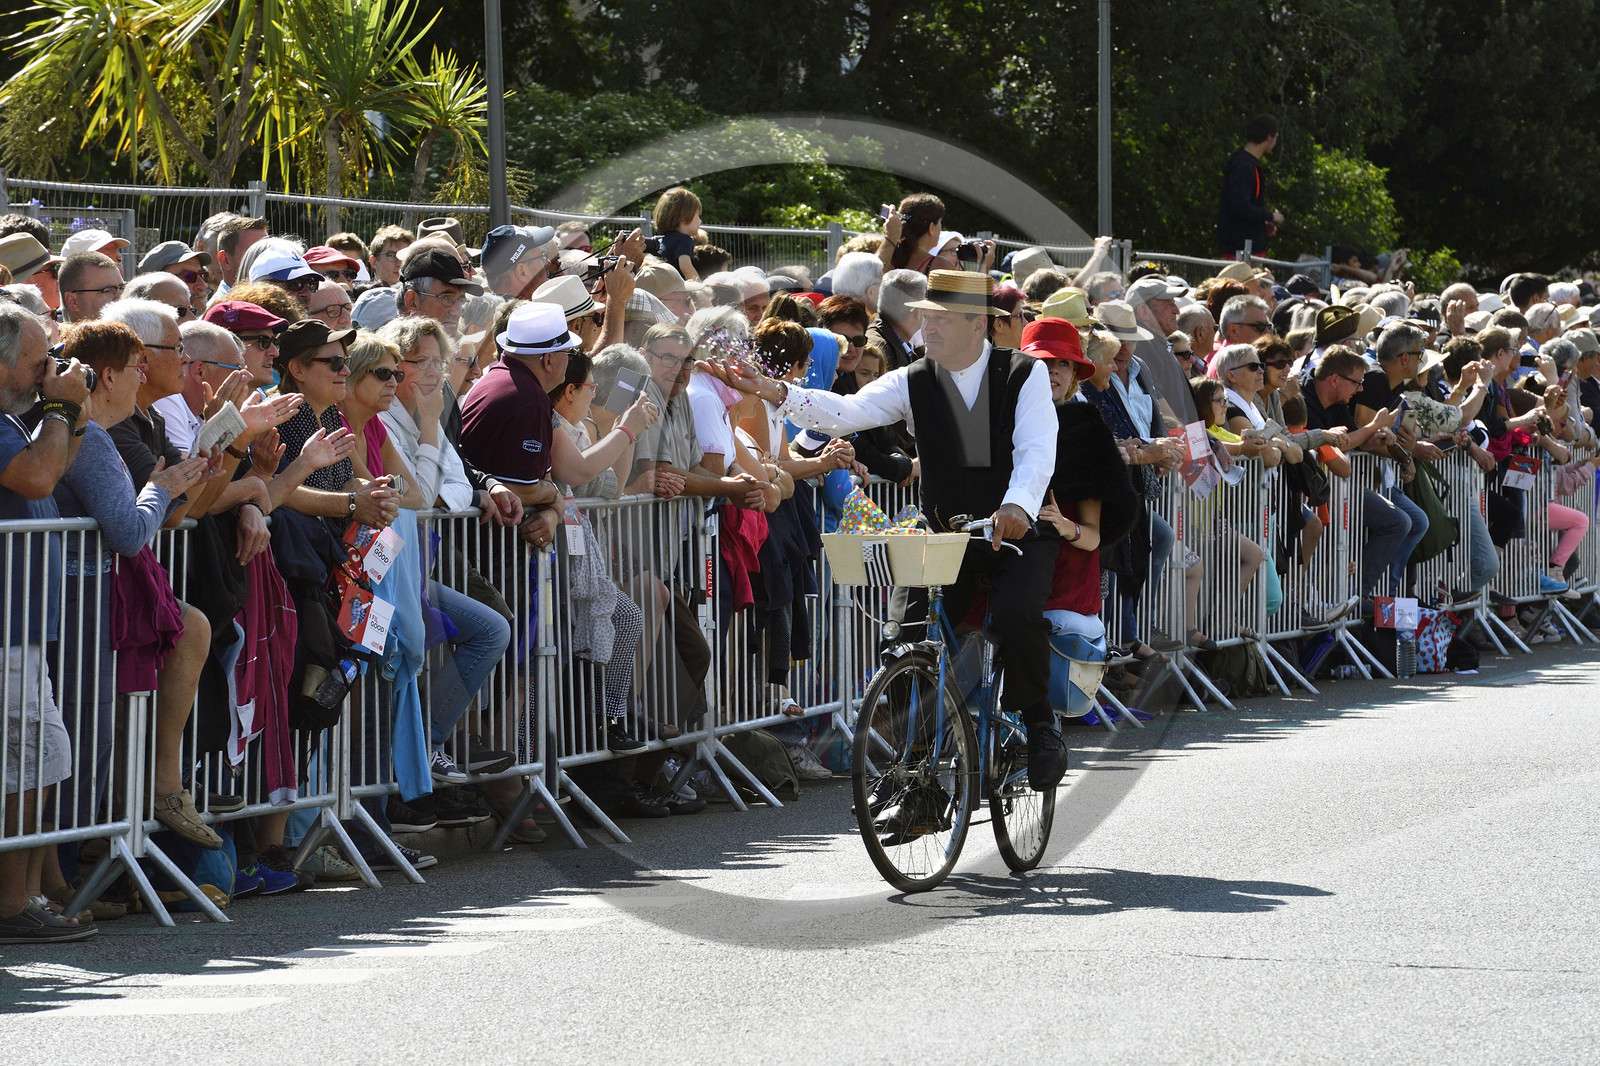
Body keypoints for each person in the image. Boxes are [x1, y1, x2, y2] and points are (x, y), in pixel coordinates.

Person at [706, 270, 1067, 793]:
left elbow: (1037, 449)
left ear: (976, 324)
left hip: (1011, 531)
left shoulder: (1022, 374)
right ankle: (914, 770)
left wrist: (1018, 505)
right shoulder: (915, 378)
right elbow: (847, 411)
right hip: (944, 534)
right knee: (901, 634)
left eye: (941, 319)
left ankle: (1039, 725)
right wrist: (772, 390)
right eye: (926, 316)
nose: (928, 328)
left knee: (1017, 616)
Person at [0, 303, 96, 943]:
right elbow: (36, 476)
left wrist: (71, 412)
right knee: (28, 759)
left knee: (40, 759)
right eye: (39, 361)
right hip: (6, 625)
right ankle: (12, 905)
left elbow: (52, 469)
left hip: (25, 622)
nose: (47, 371)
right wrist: (58, 410)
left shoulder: (14, 419)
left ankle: (27, 894)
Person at [1217, 113, 1284, 256]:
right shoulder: (1243, 166)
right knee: (1267, 279)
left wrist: (1261, 224)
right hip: (1241, 253)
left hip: (1248, 248)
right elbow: (1239, 207)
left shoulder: (1247, 164)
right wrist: (1271, 216)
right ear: (1268, 137)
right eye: (1276, 137)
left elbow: (1244, 209)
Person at [651, 187, 702, 282]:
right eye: (697, 215)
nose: (700, 221)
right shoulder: (684, 240)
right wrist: (700, 289)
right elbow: (685, 266)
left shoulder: (661, 240)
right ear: (684, 218)